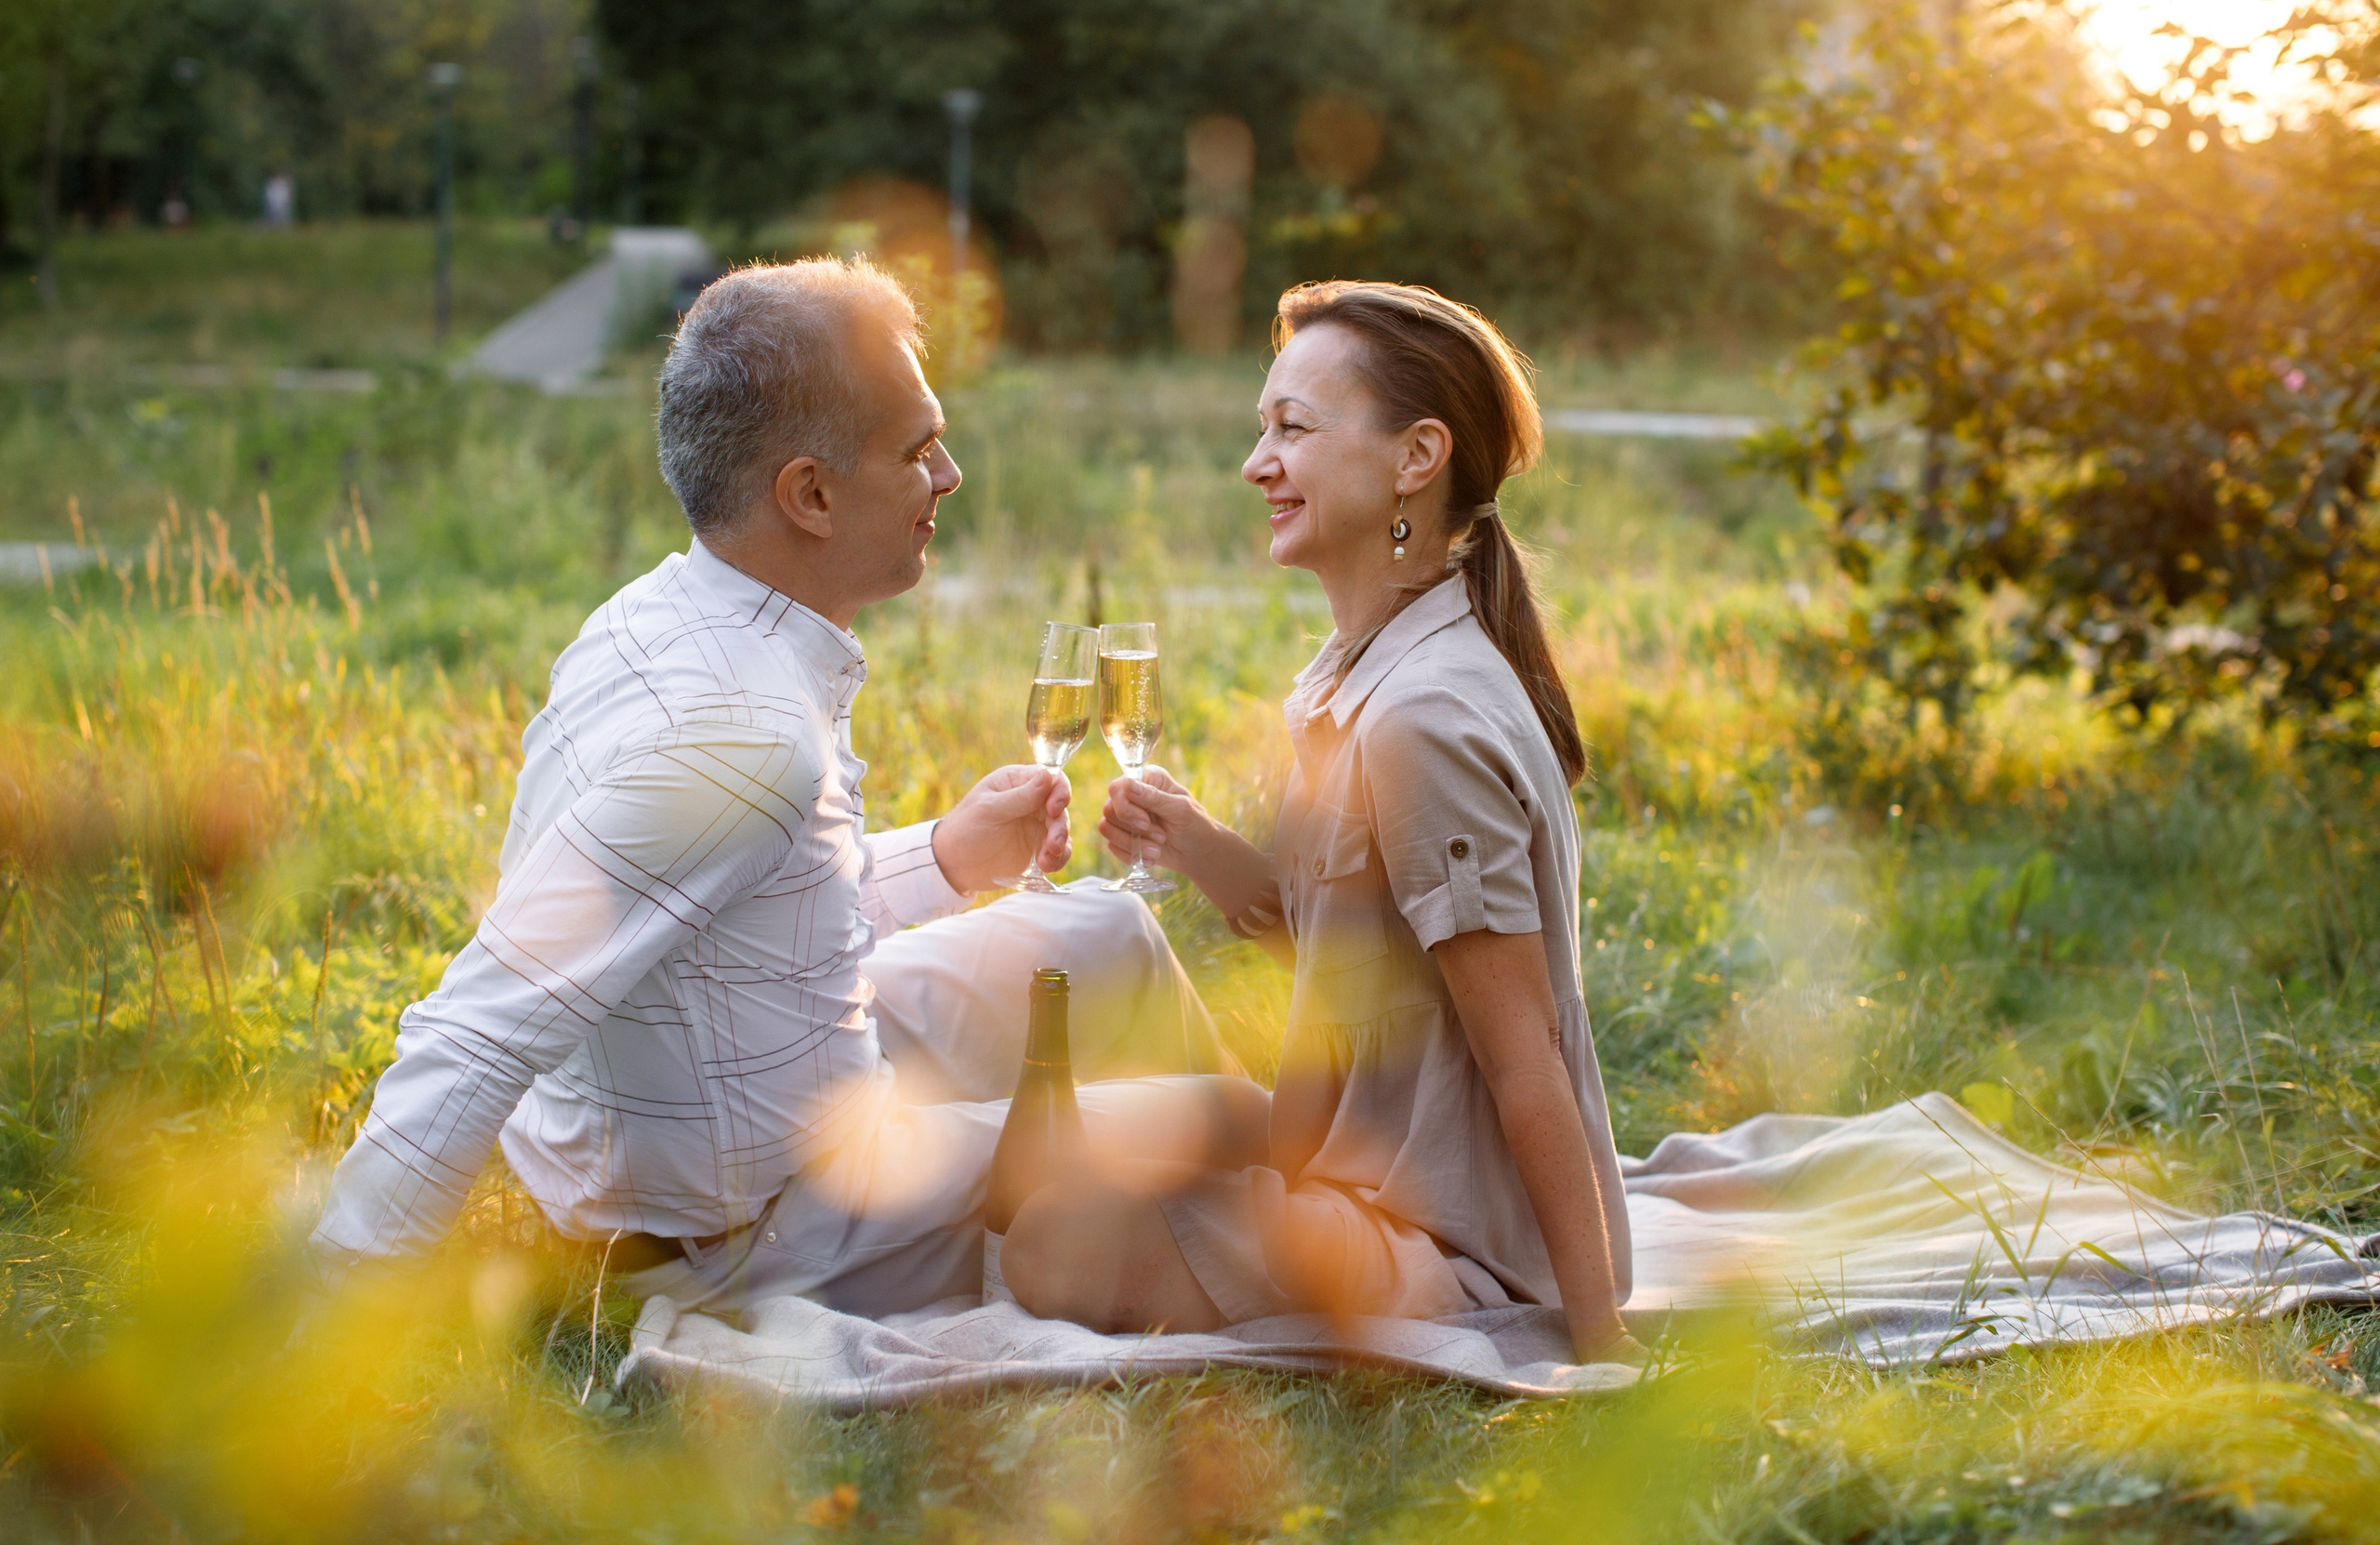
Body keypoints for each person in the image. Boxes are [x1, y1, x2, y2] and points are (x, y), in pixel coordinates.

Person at [308, 258, 1263, 1320]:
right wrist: (322, 1332)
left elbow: (742, 935)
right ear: (809, 494)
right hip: (774, 1223)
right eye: (916, 449)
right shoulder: (741, 742)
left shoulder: (659, 612)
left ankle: (1183, 1228)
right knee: (1231, 1119)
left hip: (767, 1085)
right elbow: (481, 1028)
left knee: (1104, 935)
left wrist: (946, 855)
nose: (948, 475)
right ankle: (1288, 1253)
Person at [999, 282, 1641, 1364]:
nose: (1257, 464)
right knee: (1051, 1152)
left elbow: (1519, 1050)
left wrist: (1596, 1334)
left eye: (1291, 429)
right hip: (1352, 1163)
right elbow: (1361, 955)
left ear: (1415, 457)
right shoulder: (1371, 671)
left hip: (1453, 1240)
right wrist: (1194, 844)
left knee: (1048, 1244)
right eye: (1263, 428)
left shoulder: (1424, 717)